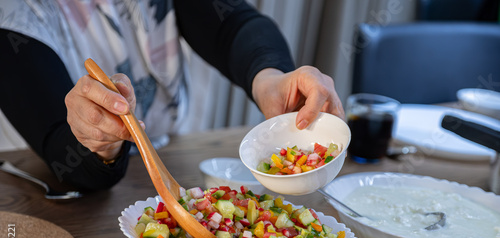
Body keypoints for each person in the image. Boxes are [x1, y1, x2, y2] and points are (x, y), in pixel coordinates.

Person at [0, 0, 344, 191]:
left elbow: (232, 24)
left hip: (166, 158)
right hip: (44, 187)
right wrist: (102, 144)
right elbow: (61, 149)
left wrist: (271, 79)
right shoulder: (15, 14)